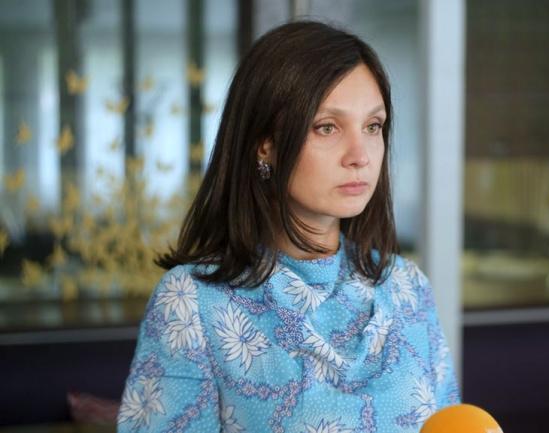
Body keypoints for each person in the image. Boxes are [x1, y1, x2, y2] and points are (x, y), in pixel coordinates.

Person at [117, 20, 460, 432]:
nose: (360, 155)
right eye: (327, 127)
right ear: (266, 146)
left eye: (373, 126)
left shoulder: (407, 287)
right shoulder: (192, 304)